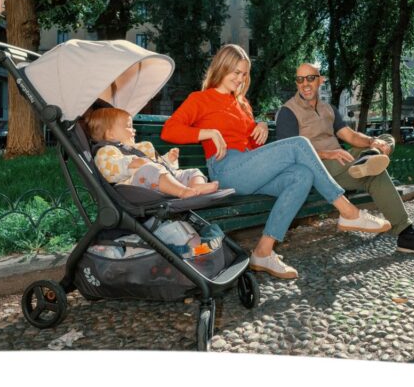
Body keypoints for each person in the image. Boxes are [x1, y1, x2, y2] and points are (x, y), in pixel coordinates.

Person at [162, 45, 391, 280]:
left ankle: (263, 251)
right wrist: (207, 132)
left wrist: (260, 127)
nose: (240, 79)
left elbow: (252, 146)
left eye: (244, 74)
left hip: (249, 172)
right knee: (299, 144)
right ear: (222, 67)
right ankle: (349, 212)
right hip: (227, 169)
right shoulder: (201, 99)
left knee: (302, 175)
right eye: (236, 72)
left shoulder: (242, 103)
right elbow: (169, 130)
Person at [275, 63, 414, 256]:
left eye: (310, 78)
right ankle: (406, 233)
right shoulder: (288, 111)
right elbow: (290, 152)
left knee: (386, 139)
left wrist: (373, 142)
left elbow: (349, 135)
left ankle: (370, 157)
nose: (305, 84)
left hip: (340, 164)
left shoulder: (328, 109)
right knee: (375, 171)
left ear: (320, 80)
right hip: (317, 168)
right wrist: (327, 154)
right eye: (300, 79)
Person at [84, 107, 220, 198]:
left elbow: (159, 166)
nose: (134, 130)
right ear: (111, 134)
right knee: (149, 170)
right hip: (135, 186)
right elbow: (109, 171)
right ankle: (183, 191)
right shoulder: (105, 151)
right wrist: (131, 163)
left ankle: (196, 187)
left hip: (160, 181)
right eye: (129, 126)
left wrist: (168, 160)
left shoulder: (137, 149)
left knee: (192, 172)